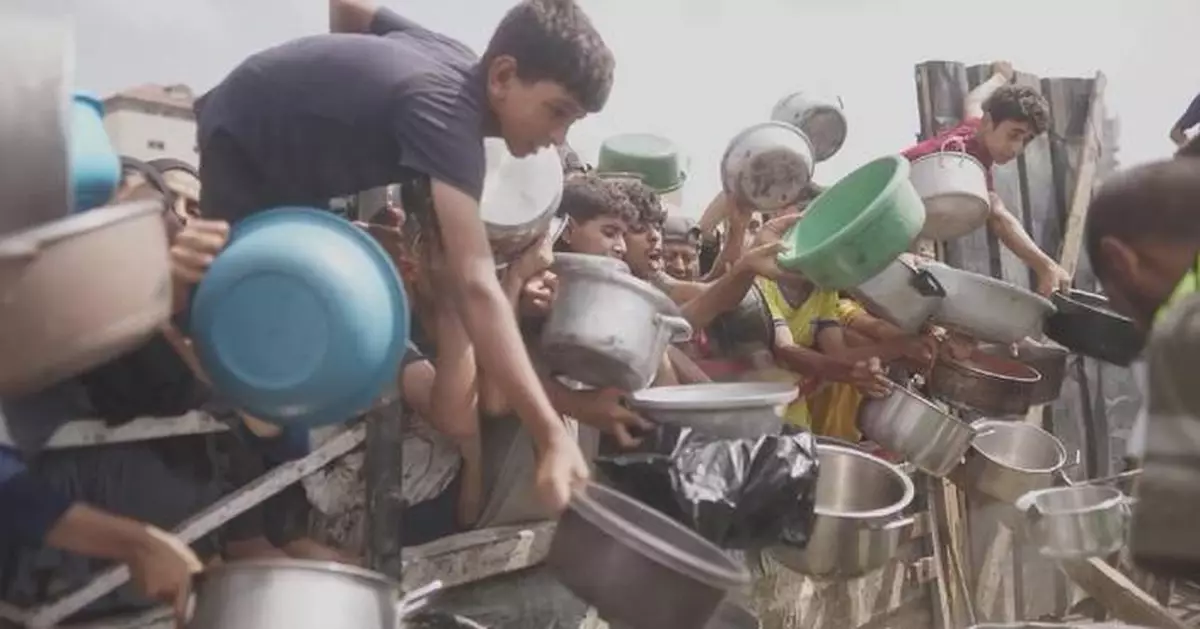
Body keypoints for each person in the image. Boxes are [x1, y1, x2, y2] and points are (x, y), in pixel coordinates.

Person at [185, 0, 615, 512]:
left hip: (286, 165)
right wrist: (551, 435)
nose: (558, 137)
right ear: (503, 76)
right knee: (244, 373)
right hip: (246, 150)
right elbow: (477, 284)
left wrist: (339, 79)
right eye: (557, 110)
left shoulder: (452, 60)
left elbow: (350, 8)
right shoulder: (449, 120)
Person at [902, 61, 1071, 297]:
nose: (1017, 148)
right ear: (989, 122)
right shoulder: (967, 158)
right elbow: (998, 216)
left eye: (1026, 140)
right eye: (1014, 135)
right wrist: (1046, 267)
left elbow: (973, 101)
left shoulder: (973, 127)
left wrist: (999, 78)